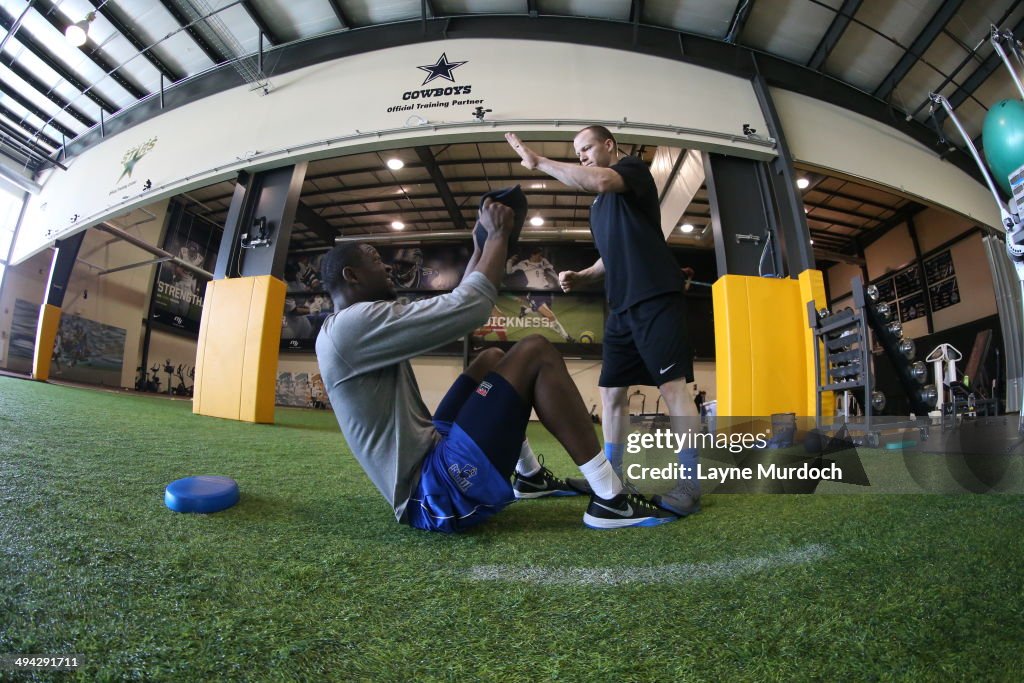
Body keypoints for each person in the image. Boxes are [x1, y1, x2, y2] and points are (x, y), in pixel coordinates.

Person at [315, 195, 679, 533]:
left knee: (492, 358)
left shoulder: (349, 324)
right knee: (536, 349)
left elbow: (458, 298)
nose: (389, 270)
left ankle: (530, 477)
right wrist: (500, 234)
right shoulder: (354, 325)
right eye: (378, 262)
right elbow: (471, 308)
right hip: (433, 493)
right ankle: (610, 499)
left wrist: (480, 244)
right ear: (352, 275)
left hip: (432, 451)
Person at [506, 127, 701, 516]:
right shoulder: (599, 208)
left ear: (609, 144)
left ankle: (690, 485)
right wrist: (581, 275)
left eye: (587, 148)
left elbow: (598, 178)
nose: (582, 157)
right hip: (620, 307)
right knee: (612, 393)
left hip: (655, 297)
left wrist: (539, 161)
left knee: (673, 389)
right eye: (577, 153)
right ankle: (615, 476)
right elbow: (608, 258)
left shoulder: (631, 171)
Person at [507, 247, 575, 343]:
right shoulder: (524, 263)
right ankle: (567, 337)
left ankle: (525, 310)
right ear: (533, 255)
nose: (541, 257)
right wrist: (510, 261)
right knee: (551, 316)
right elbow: (509, 271)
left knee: (547, 318)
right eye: (539, 255)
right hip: (534, 293)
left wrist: (558, 280)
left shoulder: (543, 261)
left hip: (546, 292)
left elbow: (551, 270)